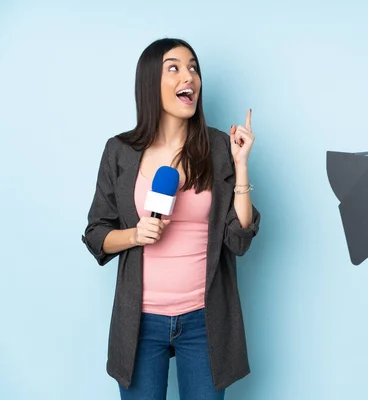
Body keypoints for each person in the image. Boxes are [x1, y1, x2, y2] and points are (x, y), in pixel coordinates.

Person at [81, 37, 261, 400]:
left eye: (193, 68)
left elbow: (238, 238)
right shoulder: (119, 151)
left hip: (205, 319)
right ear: (151, 82)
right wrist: (135, 235)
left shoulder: (218, 148)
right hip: (140, 323)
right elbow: (96, 233)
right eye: (174, 68)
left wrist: (241, 168)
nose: (189, 77)